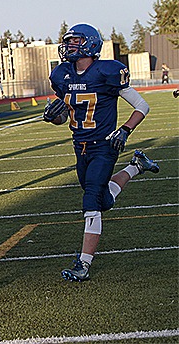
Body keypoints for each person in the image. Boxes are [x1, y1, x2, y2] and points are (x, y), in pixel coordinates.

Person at [44, 23, 160, 282]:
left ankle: (83, 264)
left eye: (75, 41)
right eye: (69, 42)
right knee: (104, 200)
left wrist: (125, 130)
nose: (70, 46)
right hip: (80, 145)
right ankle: (137, 166)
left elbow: (142, 105)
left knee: (92, 200)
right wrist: (52, 117)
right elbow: (64, 118)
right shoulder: (62, 75)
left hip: (105, 145)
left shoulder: (107, 71)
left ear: (90, 44)